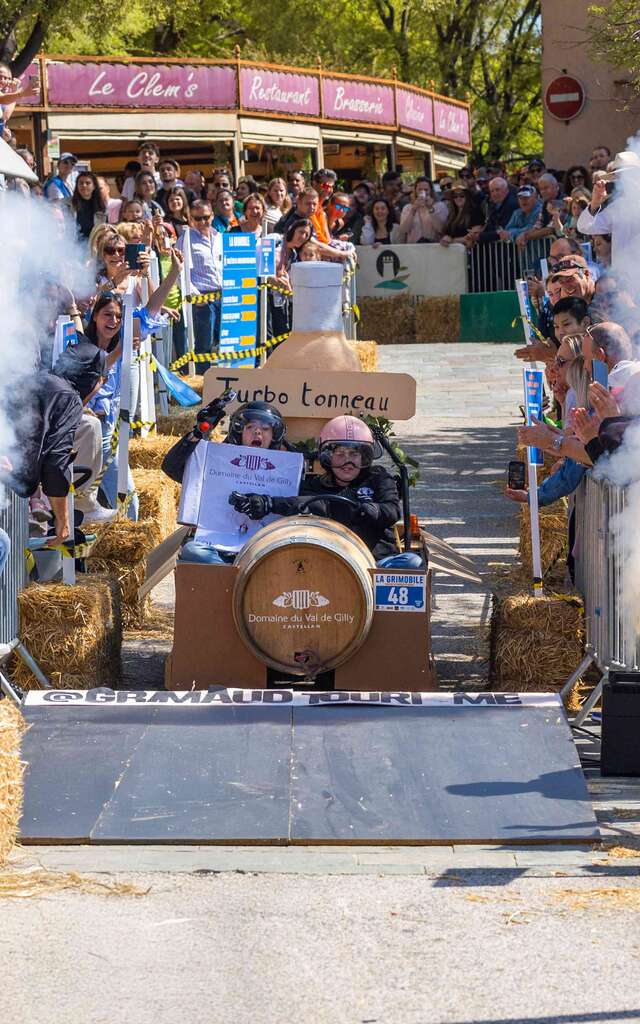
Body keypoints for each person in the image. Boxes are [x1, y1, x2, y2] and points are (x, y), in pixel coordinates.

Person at [230, 415, 402, 561]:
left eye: (354, 454)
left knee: (411, 563)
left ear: (365, 457)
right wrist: (267, 503)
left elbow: (392, 510)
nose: (347, 462)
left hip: (377, 561)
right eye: (340, 454)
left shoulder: (378, 478)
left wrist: (373, 510)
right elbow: (301, 504)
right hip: (325, 561)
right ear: (327, 457)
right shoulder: (315, 486)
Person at [162, 399, 287, 564]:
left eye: (265, 428)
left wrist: (268, 503)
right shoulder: (217, 461)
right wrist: (199, 432)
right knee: (193, 550)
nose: (257, 432)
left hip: (264, 547)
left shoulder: (287, 468)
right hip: (218, 546)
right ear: (239, 431)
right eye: (250, 427)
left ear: (274, 435)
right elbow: (172, 467)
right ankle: (232, 576)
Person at [175, 199, 222, 374]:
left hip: (223, 294)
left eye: (206, 217)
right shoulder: (185, 239)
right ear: (190, 219)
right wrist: (195, 297)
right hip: (202, 297)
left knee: (223, 340)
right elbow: (180, 272)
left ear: (212, 216)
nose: (202, 222)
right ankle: (204, 379)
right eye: (197, 218)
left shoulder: (220, 237)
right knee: (204, 342)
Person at [396, 179, 447, 244]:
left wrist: (430, 208)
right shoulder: (408, 208)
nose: (423, 192)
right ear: (415, 191)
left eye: (426, 190)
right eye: (420, 189)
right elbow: (404, 230)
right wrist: (413, 210)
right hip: (413, 248)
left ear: (431, 190)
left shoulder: (440, 206)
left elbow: (441, 229)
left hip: (434, 247)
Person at [439, 182, 484, 247]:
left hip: (470, 254)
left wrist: (452, 241)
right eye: (455, 196)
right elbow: (446, 233)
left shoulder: (475, 212)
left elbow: (474, 237)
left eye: (462, 195)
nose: (458, 198)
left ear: (467, 196)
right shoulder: (452, 214)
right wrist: (445, 238)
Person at [476, 177, 519, 243]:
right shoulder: (495, 204)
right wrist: (476, 234)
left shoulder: (511, 204)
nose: (494, 194)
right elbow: (490, 225)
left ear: (506, 190)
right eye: (492, 191)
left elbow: (503, 230)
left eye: (497, 190)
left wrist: (479, 236)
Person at [71, 171, 107, 240]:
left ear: (94, 186)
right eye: (81, 183)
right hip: (73, 245)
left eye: (88, 183)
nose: (84, 185)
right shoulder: (68, 204)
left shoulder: (101, 206)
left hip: (94, 245)